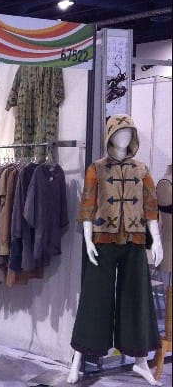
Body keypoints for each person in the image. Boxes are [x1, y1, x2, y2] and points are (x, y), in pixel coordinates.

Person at [67, 114, 163, 385]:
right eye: (119, 132)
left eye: (129, 133)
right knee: (94, 299)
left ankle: (140, 362)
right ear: (109, 136)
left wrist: (156, 239)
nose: (124, 137)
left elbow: (150, 207)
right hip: (103, 240)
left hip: (134, 240)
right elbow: (87, 206)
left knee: (137, 298)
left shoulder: (141, 170)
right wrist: (88, 241)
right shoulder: (96, 169)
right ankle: (76, 360)